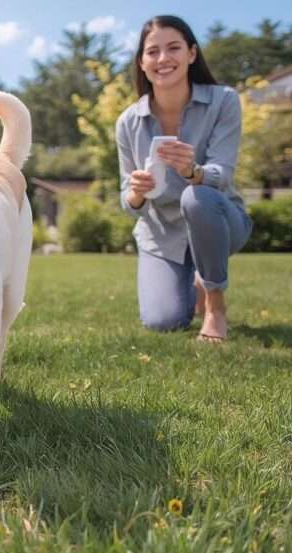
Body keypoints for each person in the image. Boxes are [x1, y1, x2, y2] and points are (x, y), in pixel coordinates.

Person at [116, 15, 252, 343]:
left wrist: (194, 171)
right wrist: (136, 192)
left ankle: (215, 307)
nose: (163, 59)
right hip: (161, 234)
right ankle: (193, 282)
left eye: (173, 48)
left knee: (196, 195)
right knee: (163, 321)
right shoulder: (128, 122)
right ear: (142, 63)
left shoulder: (224, 101)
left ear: (192, 53)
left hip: (219, 220)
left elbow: (222, 174)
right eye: (153, 52)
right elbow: (127, 203)